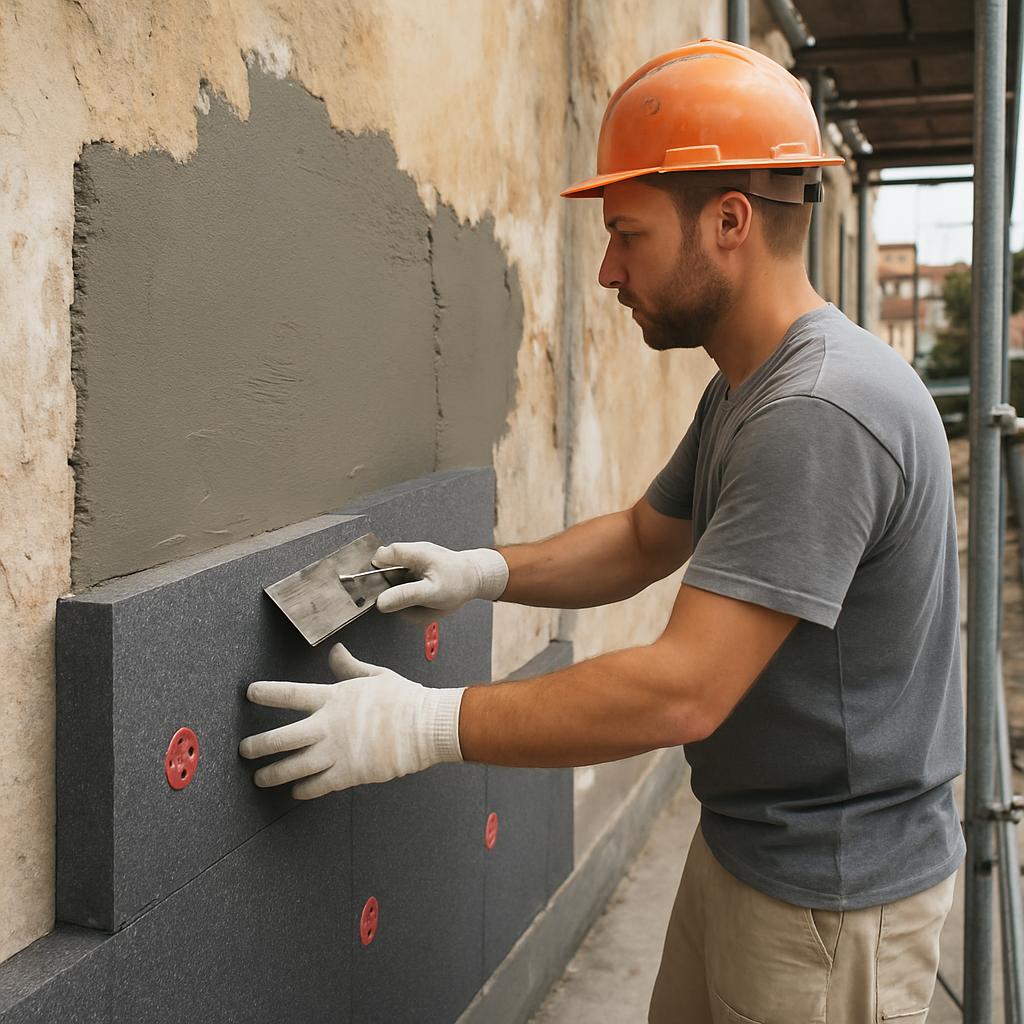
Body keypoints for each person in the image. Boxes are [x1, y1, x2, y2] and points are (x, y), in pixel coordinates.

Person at [239, 39, 964, 1022]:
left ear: (728, 221)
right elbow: (640, 536)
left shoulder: (818, 413)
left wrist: (423, 724)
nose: (609, 271)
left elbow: (682, 692)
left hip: (828, 903)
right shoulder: (750, 385)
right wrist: (481, 572)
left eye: (627, 234)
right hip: (751, 847)